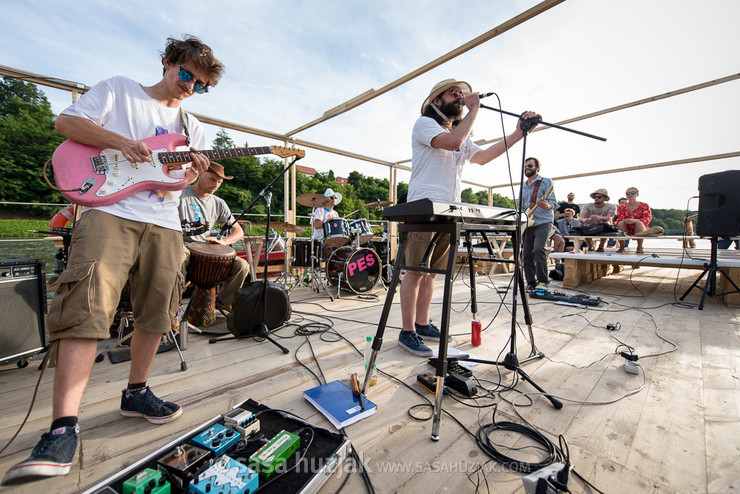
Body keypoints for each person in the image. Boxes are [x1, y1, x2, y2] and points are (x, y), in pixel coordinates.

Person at [2, 35, 223, 485]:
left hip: (164, 222)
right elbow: (67, 122)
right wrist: (121, 142)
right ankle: (63, 425)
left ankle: (136, 392)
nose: (189, 88)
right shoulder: (120, 90)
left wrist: (191, 172)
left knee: (157, 312)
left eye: (199, 85)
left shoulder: (191, 125)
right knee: (88, 308)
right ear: (167, 63)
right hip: (109, 212)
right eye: (186, 76)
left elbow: (172, 182)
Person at [399, 78, 540, 356]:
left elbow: (483, 157)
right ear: (437, 101)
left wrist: (518, 134)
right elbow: (453, 142)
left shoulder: (461, 133)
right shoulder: (425, 124)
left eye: (463, 94)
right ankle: (407, 332)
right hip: (423, 207)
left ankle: (423, 323)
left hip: (448, 209)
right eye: (455, 93)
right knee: (415, 272)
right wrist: (475, 108)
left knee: (431, 275)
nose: (461, 97)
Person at [179, 161, 250, 312]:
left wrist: (223, 242)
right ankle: (173, 305)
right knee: (178, 258)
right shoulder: (180, 194)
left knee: (242, 266)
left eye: (219, 182)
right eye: (212, 179)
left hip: (205, 248)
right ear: (200, 174)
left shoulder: (219, 203)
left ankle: (222, 302)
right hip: (182, 245)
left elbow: (238, 231)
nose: (216, 185)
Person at [521, 157, 557, 290]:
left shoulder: (546, 182)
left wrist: (546, 206)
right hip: (527, 222)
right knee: (526, 253)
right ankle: (530, 282)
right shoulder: (523, 186)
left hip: (543, 221)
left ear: (537, 168)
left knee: (538, 249)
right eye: (525, 166)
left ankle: (543, 281)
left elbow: (554, 203)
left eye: (530, 165)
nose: (527, 168)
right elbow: (522, 205)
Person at [615, 187, 652, 254]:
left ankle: (639, 247)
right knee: (620, 223)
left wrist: (635, 220)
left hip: (640, 228)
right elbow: (620, 218)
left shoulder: (644, 205)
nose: (630, 195)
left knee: (639, 223)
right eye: (628, 193)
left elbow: (647, 218)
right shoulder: (622, 206)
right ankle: (622, 247)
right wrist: (625, 220)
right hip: (626, 227)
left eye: (633, 193)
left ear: (637, 194)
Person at [579, 188, 616, 252]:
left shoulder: (611, 206)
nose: (596, 198)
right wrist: (585, 220)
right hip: (590, 225)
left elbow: (609, 218)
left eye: (599, 197)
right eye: (595, 197)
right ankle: (589, 246)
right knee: (582, 224)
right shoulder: (587, 206)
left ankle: (601, 246)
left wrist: (598, 217)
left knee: (605, 223)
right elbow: (580, 218)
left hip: (603, 225)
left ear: (604, 198)